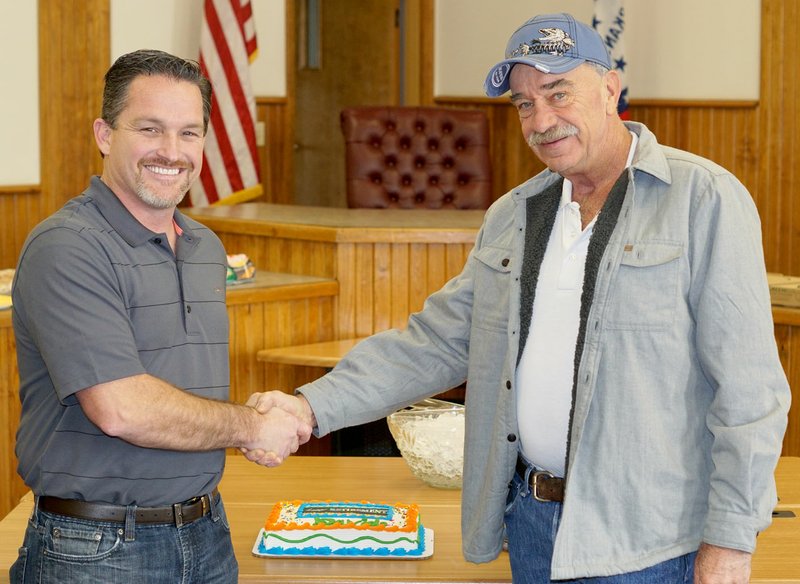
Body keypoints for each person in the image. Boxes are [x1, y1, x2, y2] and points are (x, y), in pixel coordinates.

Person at [250, 12, 791, 584]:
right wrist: (311, 408)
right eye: (524, 103)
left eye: (559, 93)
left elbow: (750, 392)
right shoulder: (513, 215)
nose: (542, 120)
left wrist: (730, 540)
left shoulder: (703, 199)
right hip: (532, 528)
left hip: (653, 546)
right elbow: (436, 342)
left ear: (610, 90)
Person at [9, 49, 311, 584]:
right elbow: (121, 409)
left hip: (206, 532)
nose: (172, 152)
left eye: (189, 133)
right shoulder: (67, 247)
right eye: (151, 129)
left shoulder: (205, 247)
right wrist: (251, 427)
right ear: (105, 134)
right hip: (94, 551)